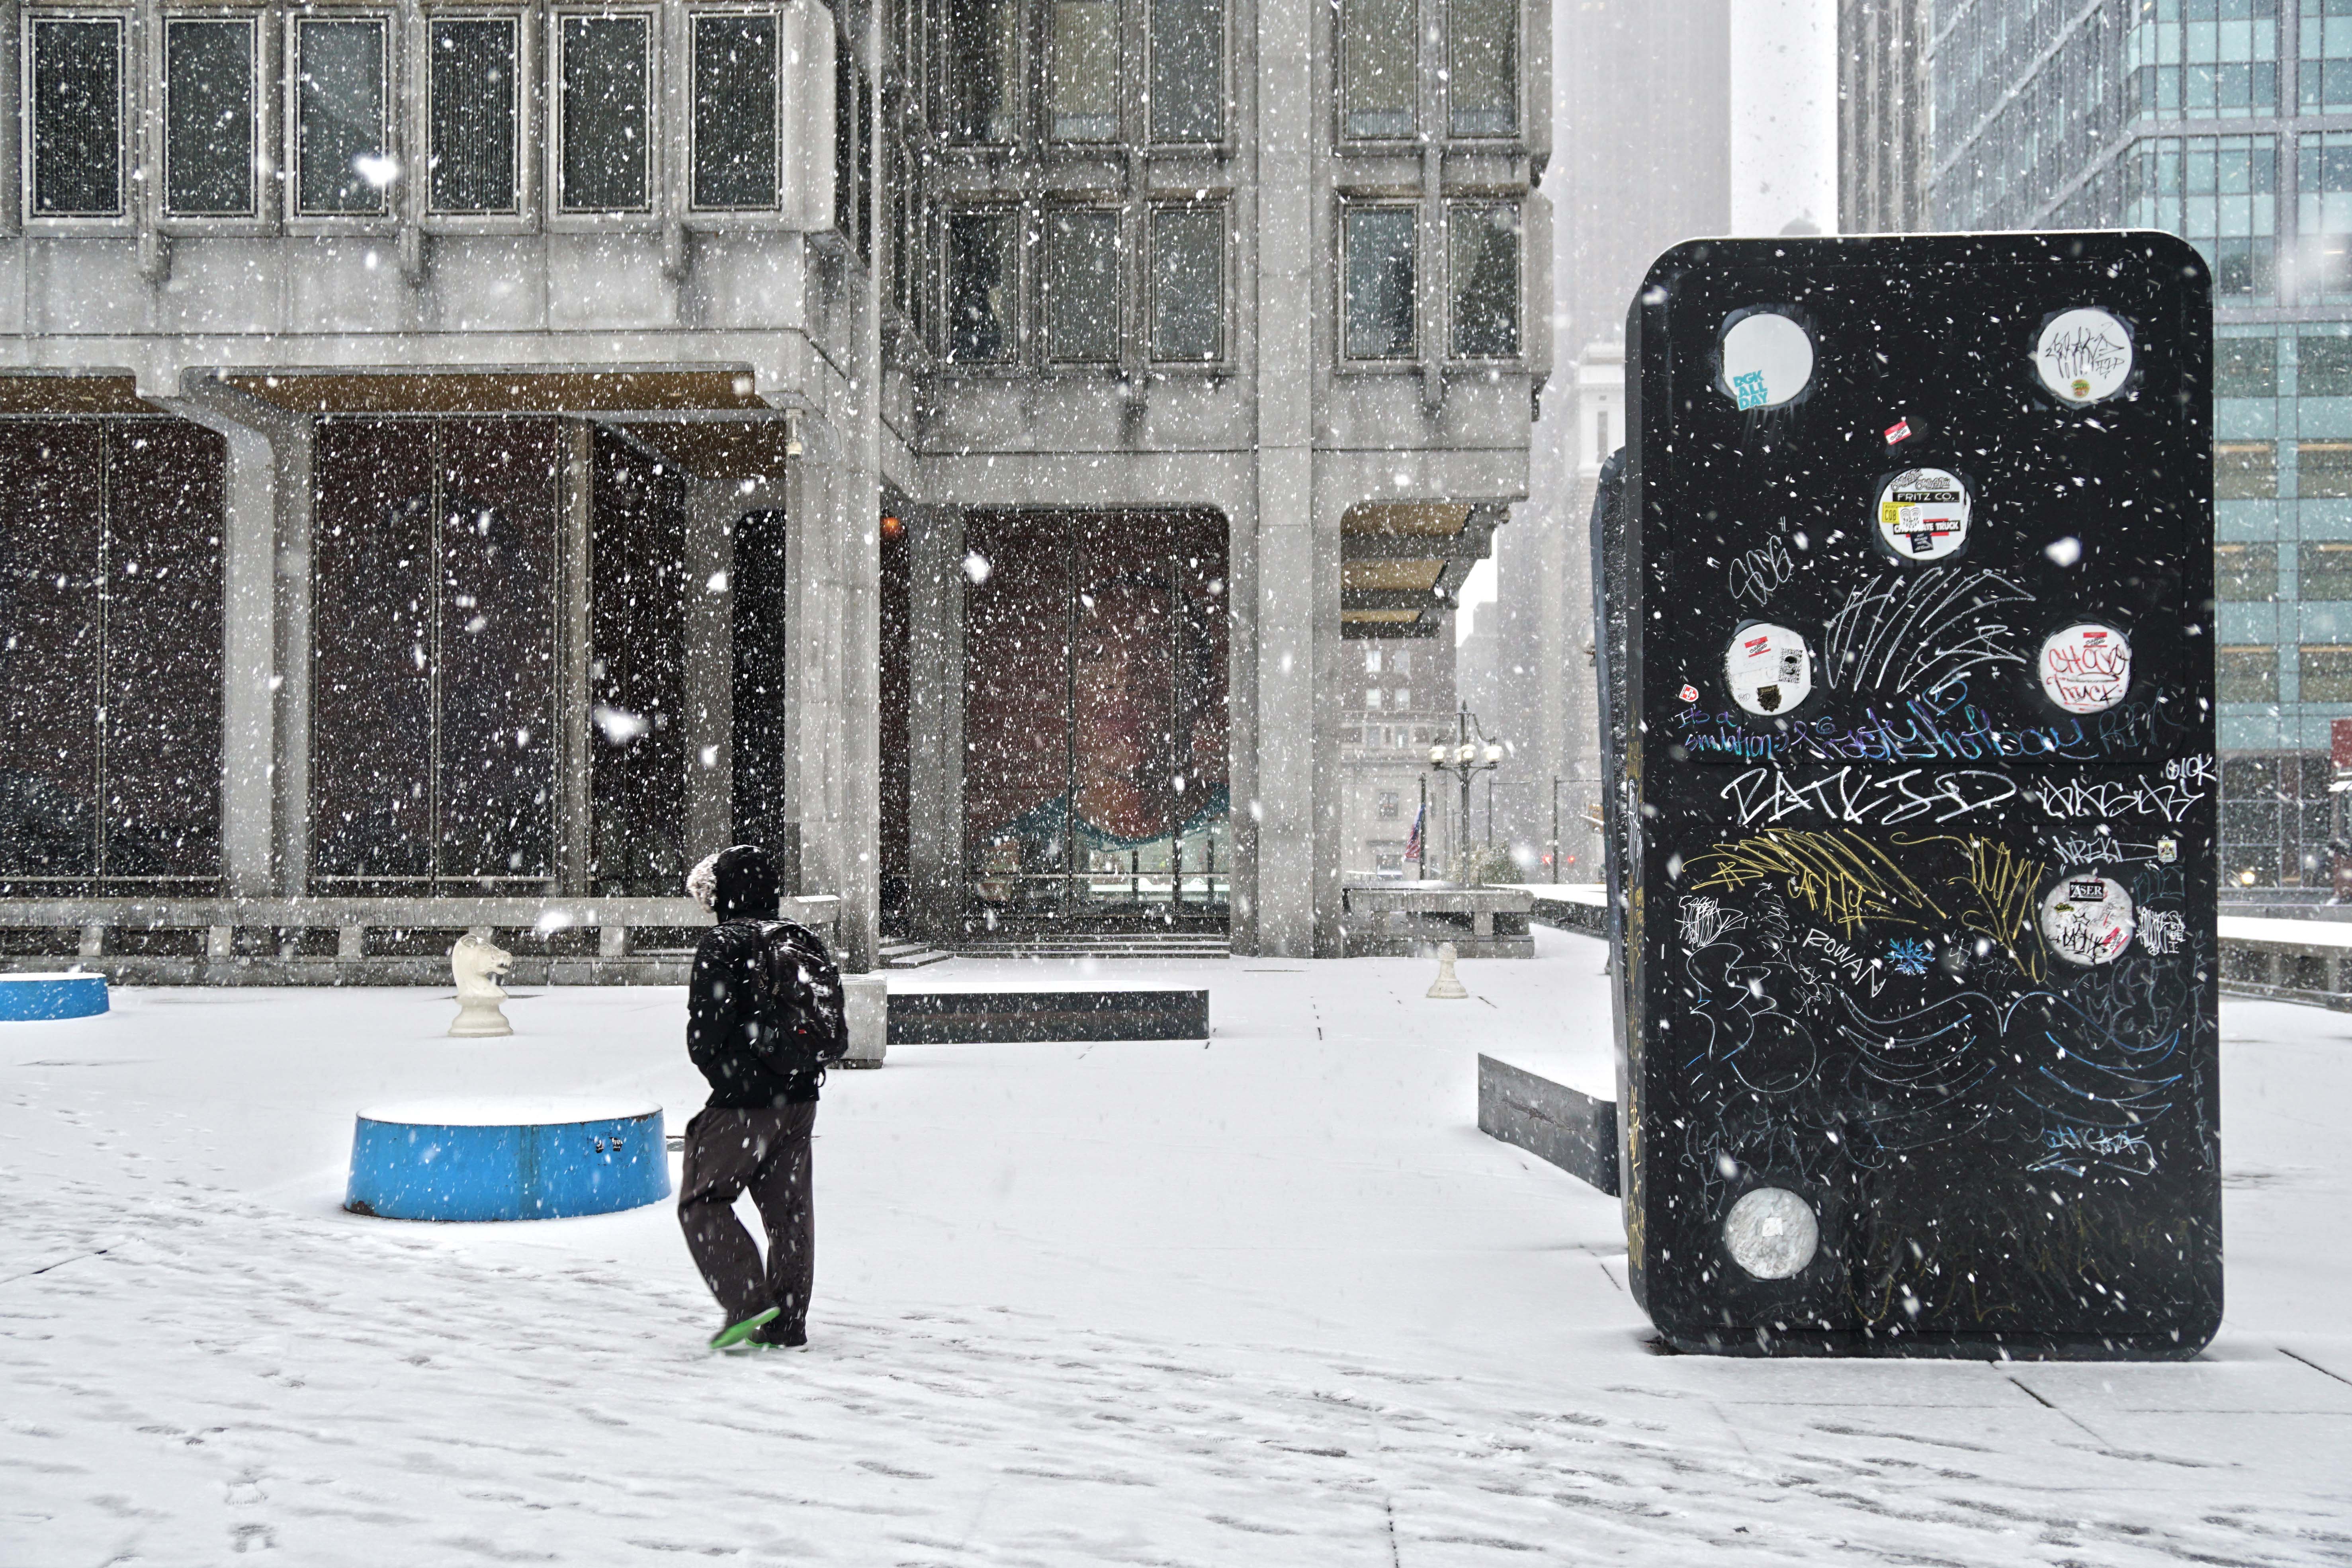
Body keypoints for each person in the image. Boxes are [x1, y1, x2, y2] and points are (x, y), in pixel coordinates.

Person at [676, 843, 847, 1350]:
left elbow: (707, 1032)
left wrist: (731, 1078)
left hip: (745, 1103)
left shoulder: (724, 943)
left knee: (703, 1200)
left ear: (727, 891)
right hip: (800, 1098)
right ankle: (788, 1321)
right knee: (790, 1213)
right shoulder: (798, 937)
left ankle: (750, 1303)